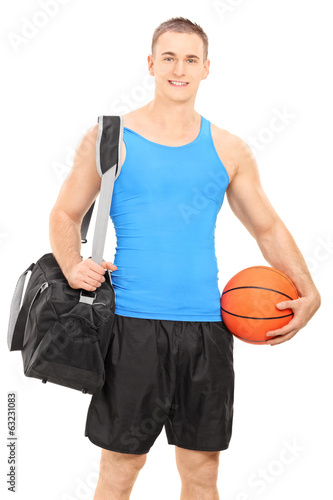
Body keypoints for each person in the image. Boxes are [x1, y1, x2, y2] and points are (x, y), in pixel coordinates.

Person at [49, 16, 320, 500]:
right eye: (169, 57)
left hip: (207, 330)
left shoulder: (230, 149)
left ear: (206, 68)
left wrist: (309, 288)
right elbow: (65, 215)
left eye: (191, 59)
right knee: (119, 470)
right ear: (151, 64)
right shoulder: (109, 138)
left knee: (201, 473)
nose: (180, 68)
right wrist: (72, 265)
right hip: (131, 328)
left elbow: (267, 227)